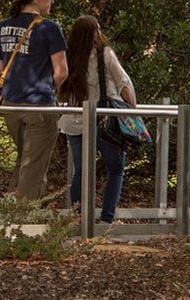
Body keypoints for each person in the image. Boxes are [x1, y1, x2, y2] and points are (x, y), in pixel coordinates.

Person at [0, 0, 68, 200]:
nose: (52, 1)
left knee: (24, 159)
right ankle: (20, 221)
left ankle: (6, 212)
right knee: (33, 166)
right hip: (39, 106)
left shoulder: (2, 27)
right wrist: (48, 88)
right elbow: (61, 71)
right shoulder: (49, 29)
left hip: (11, 105)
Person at [58, 15, 137, 223]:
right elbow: (124, 84)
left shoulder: (67, 56)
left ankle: (78, 218)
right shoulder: (104, 54)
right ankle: (107, 218)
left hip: (73, 120)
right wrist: (132, 110)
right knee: (116, 169)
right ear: (94, 33)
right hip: (102, 121)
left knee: (81, 171)